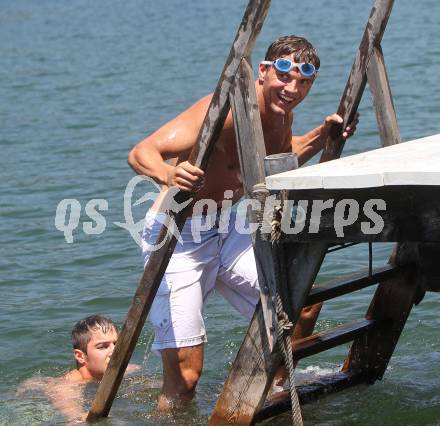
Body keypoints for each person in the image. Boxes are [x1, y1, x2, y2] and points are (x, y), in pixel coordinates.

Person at [128, 35, 358, 410]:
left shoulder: (281, 115)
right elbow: (141, 152)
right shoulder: (222, 110)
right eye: (285, 77)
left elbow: (282, 155)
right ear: (264, 72)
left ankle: (267, 394)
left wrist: (323, 134)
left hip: (225, 226)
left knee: (303, 305)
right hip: (178, 235)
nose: (292, 89)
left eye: (303, 82)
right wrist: (167, 176)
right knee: (184, 381)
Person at [18, 315, 139, 422]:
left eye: (116, 344)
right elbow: (76, 419)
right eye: (103, 346)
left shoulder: (129, 369)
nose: (115, 351)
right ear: (80, 356)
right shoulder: (66, 387)